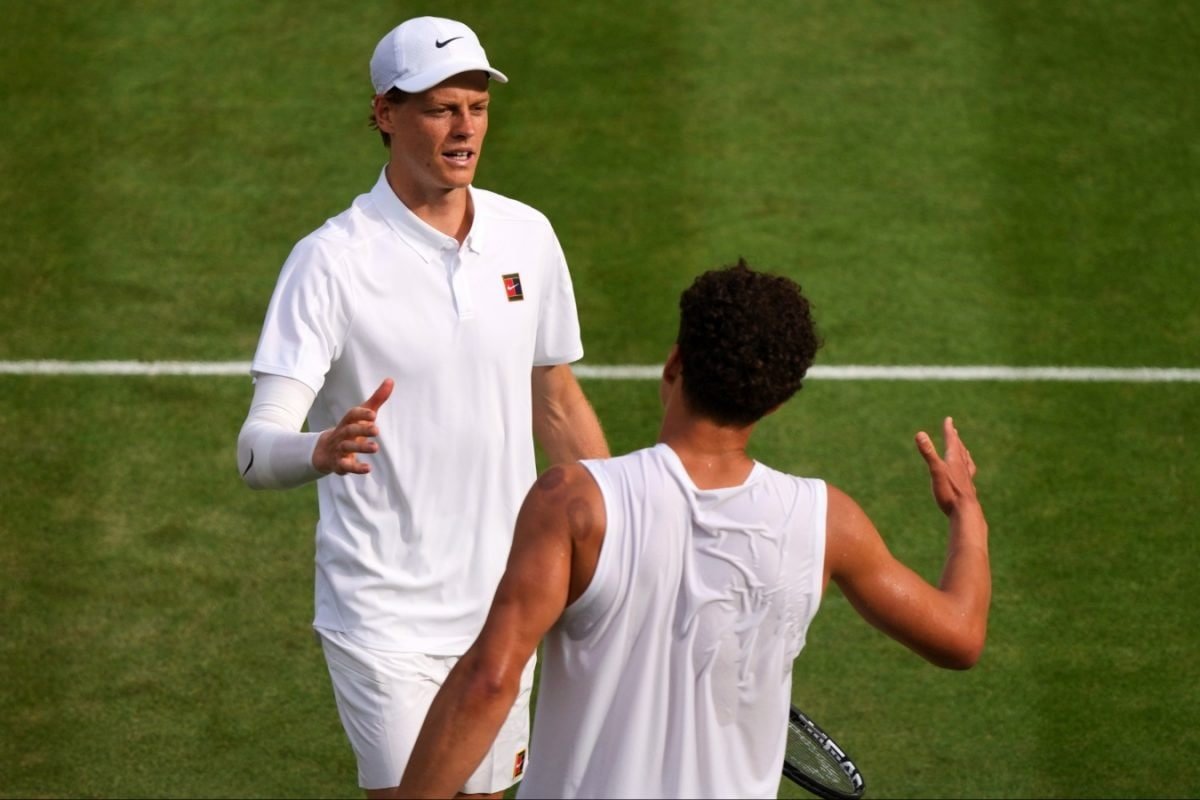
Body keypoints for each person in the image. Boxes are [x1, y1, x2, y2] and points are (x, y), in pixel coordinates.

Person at [394, 260, 991, 799]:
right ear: (777, 402)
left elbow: (490, 682)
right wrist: (966, 513)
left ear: (675, 362)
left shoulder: (575, 504)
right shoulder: (828, 520)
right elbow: (960, 637)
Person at [235, 16, 608, 799]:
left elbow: (558, 403)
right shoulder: (330, 262)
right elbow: (252, 447)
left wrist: (634, 538)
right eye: (441, 108)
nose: (465, 127)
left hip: (507, 606)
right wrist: (320, 449)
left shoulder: (528, 237)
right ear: (385, 114)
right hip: (383, 617)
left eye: (476, 106)